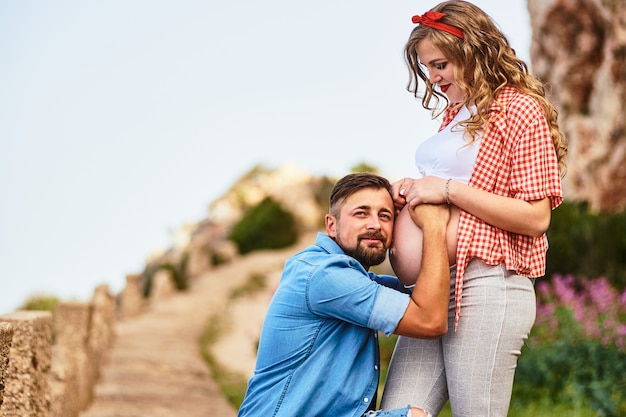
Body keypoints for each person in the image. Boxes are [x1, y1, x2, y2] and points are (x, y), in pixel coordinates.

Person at [380, 2, 567, 417]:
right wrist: (411, 190)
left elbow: (536, 217)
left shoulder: (519, 108)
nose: (434, 78)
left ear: (473, 52)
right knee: (397, 412)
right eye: (428, 67)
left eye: (441, 64)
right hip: (432, 290)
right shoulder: (454, 116)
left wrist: (446, 190)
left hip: (486, 285)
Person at [237, 172, 451, 417]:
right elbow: (429, 320)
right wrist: (434, 225)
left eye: (385, 216)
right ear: (332, 225)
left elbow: (429, 296)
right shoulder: (324, 276)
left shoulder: (356, 279)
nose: (375, 225)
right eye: (361, 213)